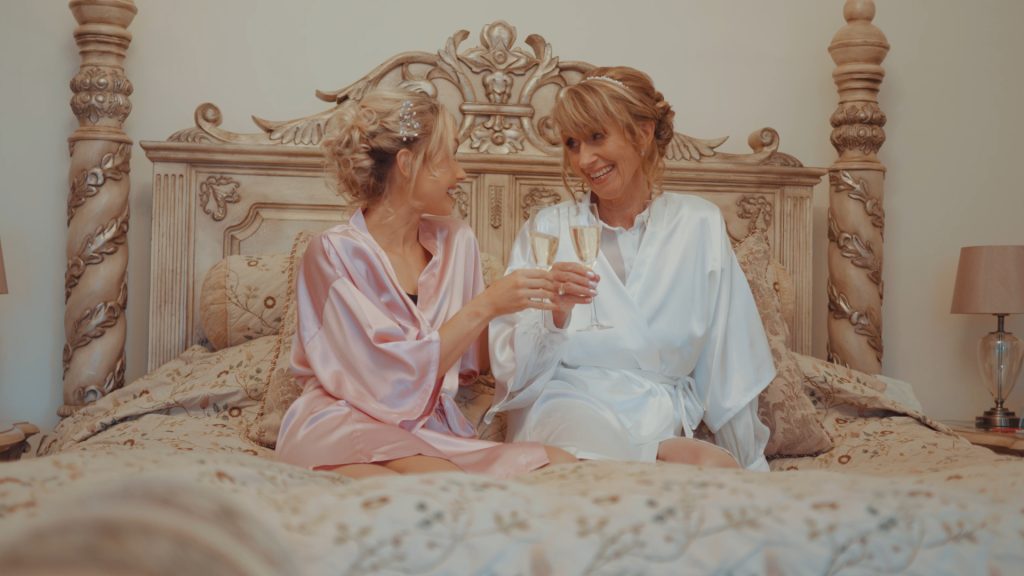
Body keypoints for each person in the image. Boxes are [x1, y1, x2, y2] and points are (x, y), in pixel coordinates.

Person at [275, 88, 576, 479]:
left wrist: (552, 312)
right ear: (407, 164)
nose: (460, 173)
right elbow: (381, 381)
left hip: (423, 429)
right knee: (440, 487)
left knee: (560, 464)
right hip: (344, 420)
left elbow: (473, 363)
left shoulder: (457, 241)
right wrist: (486, 304)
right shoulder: (332, 253)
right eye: (449, 156)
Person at [486, 67, 775, 470]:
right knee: (597, 467)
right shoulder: (547, 229)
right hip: (567, 407)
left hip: (655, 418)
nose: (584, 159)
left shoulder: (699, 224)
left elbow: (729, 359)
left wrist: (750, 463)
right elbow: (512, 370)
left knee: (718, 470)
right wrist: (555, 317)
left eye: (596, 137)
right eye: (572, 144)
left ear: (642, 134)